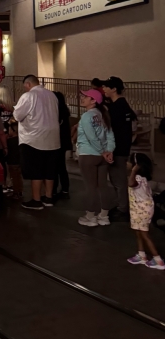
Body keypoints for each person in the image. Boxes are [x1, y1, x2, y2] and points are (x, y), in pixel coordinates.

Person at [12, 75, 60, 210]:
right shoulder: (52, 95)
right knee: (49, 170)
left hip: (34, 139)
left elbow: (17, 116)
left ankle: (36, 200)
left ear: (28, 84)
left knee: (36, 171)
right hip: (53, 139)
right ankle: (49, 198)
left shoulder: (28, 96)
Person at [76, 88, 115, 227]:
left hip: (88, 155)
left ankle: (90, 217)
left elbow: (90, 137)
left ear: (93, 101)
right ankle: (104, 216)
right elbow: (110, 135)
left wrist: (102, 151)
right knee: (103, 186)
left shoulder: (87, 117)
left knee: (90, 187)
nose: (82, 98)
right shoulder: (103, 115)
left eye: (86, 96)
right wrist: (108, 151)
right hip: (102, 156)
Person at [103, 76, 137, 222]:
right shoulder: (121, 105)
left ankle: (123, 209)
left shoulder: (117, 107)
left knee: (118, 179)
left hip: (118, 148)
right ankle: (121, 205)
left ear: (114, 89)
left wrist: (110, 149)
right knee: (117, 178)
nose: (103, 89)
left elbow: (115, 130)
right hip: (120, 147)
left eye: (106, 87)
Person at [126, 153, 164, 269]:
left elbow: (131, 184)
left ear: (136, 166)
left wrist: (133, 171)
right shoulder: (142, 178)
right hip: (138, 209)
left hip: (141, 210)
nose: (127, 163)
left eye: (129, 161)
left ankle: (158, 260)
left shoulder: (137, 178)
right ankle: (141, 255)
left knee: (144, 234)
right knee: (138, 232)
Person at [54, 91, 72, 200]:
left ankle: (54, 190)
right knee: (62, 167)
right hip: (64, 142)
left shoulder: (57, 112)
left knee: (55, 167)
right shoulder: (65, 111)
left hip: (57, 142)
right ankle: (65, 189)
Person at [6, 120, 23, 200]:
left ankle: (16, 193)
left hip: (12, 162)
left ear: (13, 130)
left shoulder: (9, 141)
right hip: (19, 161)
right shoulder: (20, 140)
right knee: (19, 177)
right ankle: (20, 191)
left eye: (9, 129)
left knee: (14, 178)